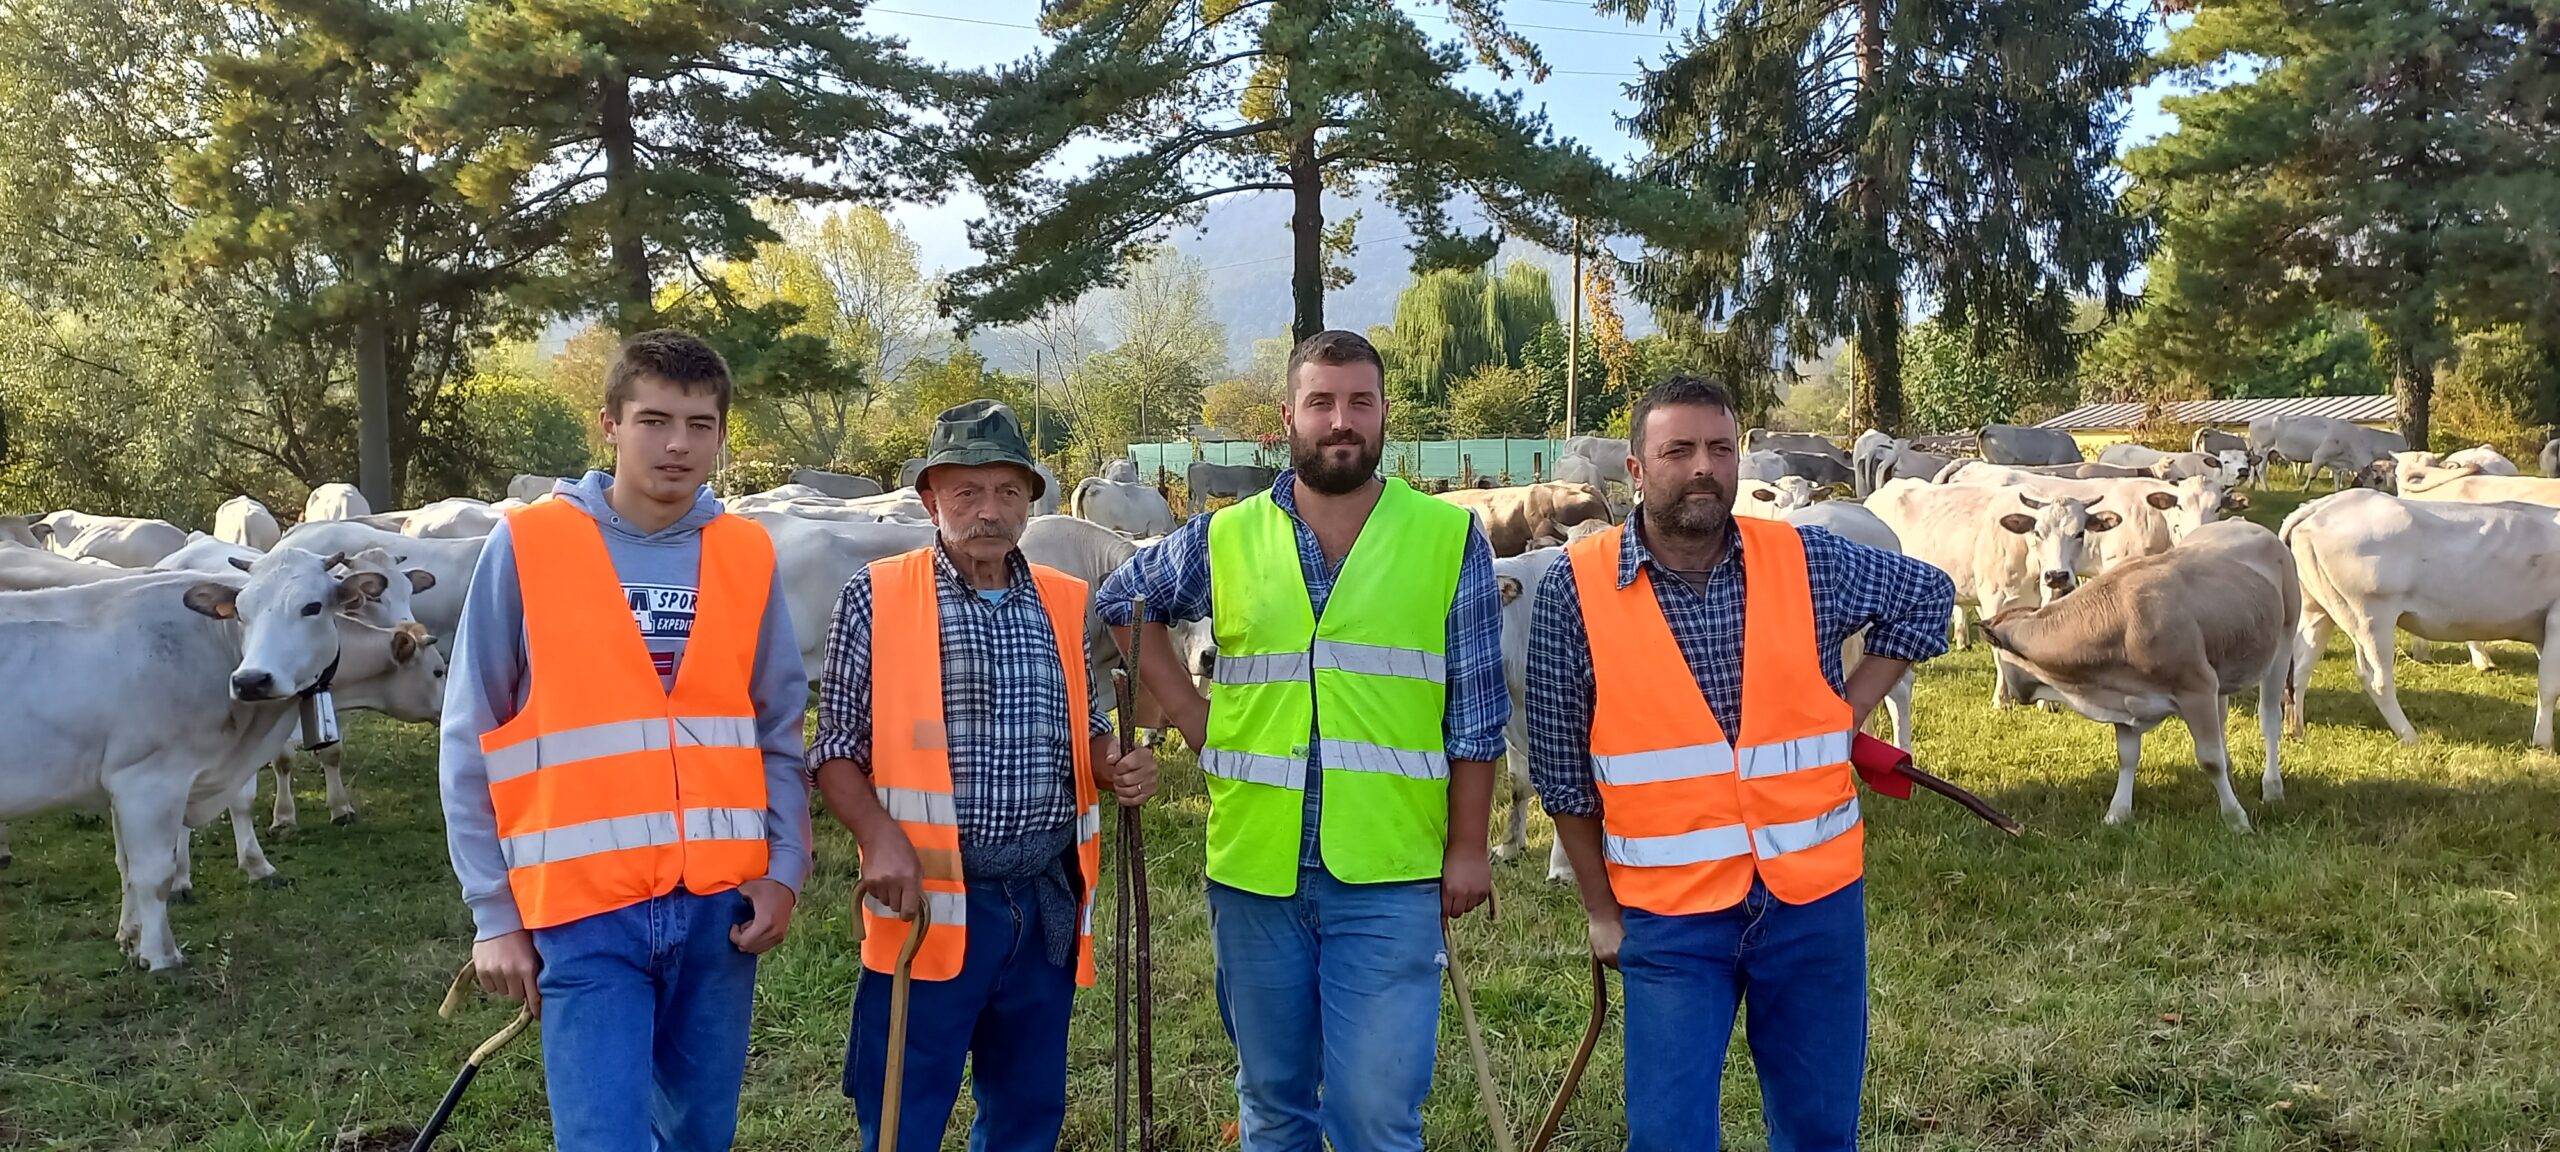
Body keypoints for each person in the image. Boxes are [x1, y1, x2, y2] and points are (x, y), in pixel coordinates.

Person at [1099, 330, 1510, 1152]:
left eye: (1360, 402)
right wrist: (1188, 712)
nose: (1341, 421)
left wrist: (1469, 847)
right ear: (1287, 418)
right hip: (1257, 868)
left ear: (1385, 414)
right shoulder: (1224, 536)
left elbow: (1475, 713)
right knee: (1276, 1104)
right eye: (1321, 403)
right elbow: (1123, 601)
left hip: (1390, 871)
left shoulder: (1445, 538)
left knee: (1374, 1116)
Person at [1524, 376, 1957, 1152]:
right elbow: (1562, 774)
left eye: (1720, 449)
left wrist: (1849, 708)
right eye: (1678, 449)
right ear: (1635, 468)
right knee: (1668, 1135)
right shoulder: (1575, 589)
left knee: (1821, 1129)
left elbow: (1930, 596)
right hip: (1670, 915)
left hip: (1813, 903)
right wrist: (1599, 909)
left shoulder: (1805, 558)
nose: (1702, 467)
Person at [438, 329, 813, 1151]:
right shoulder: (529, 545)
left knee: (699, 1137)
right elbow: (470, 737)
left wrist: (785, 870)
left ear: (721, 432)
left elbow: (776, 730)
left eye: (700, 424)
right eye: (653, 419)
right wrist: (494, 914)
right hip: (582, 913)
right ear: (609, 424)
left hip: (721, 912)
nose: (678, 444)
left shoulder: (745, 553)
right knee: (603, 1139)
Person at [810, 399, 1159, 1152]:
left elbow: (1089, 731)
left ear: (1031, 502)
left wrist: (1118, 766)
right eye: (966, 492)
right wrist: (880, 840)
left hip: (1040, 906)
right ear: (931, 499)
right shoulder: (876, 597)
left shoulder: (1068, 605)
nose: (987, 511)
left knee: (1028, 1115)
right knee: (903, 1114)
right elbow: (835, 749)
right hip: (927, 907)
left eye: (1006, 492)